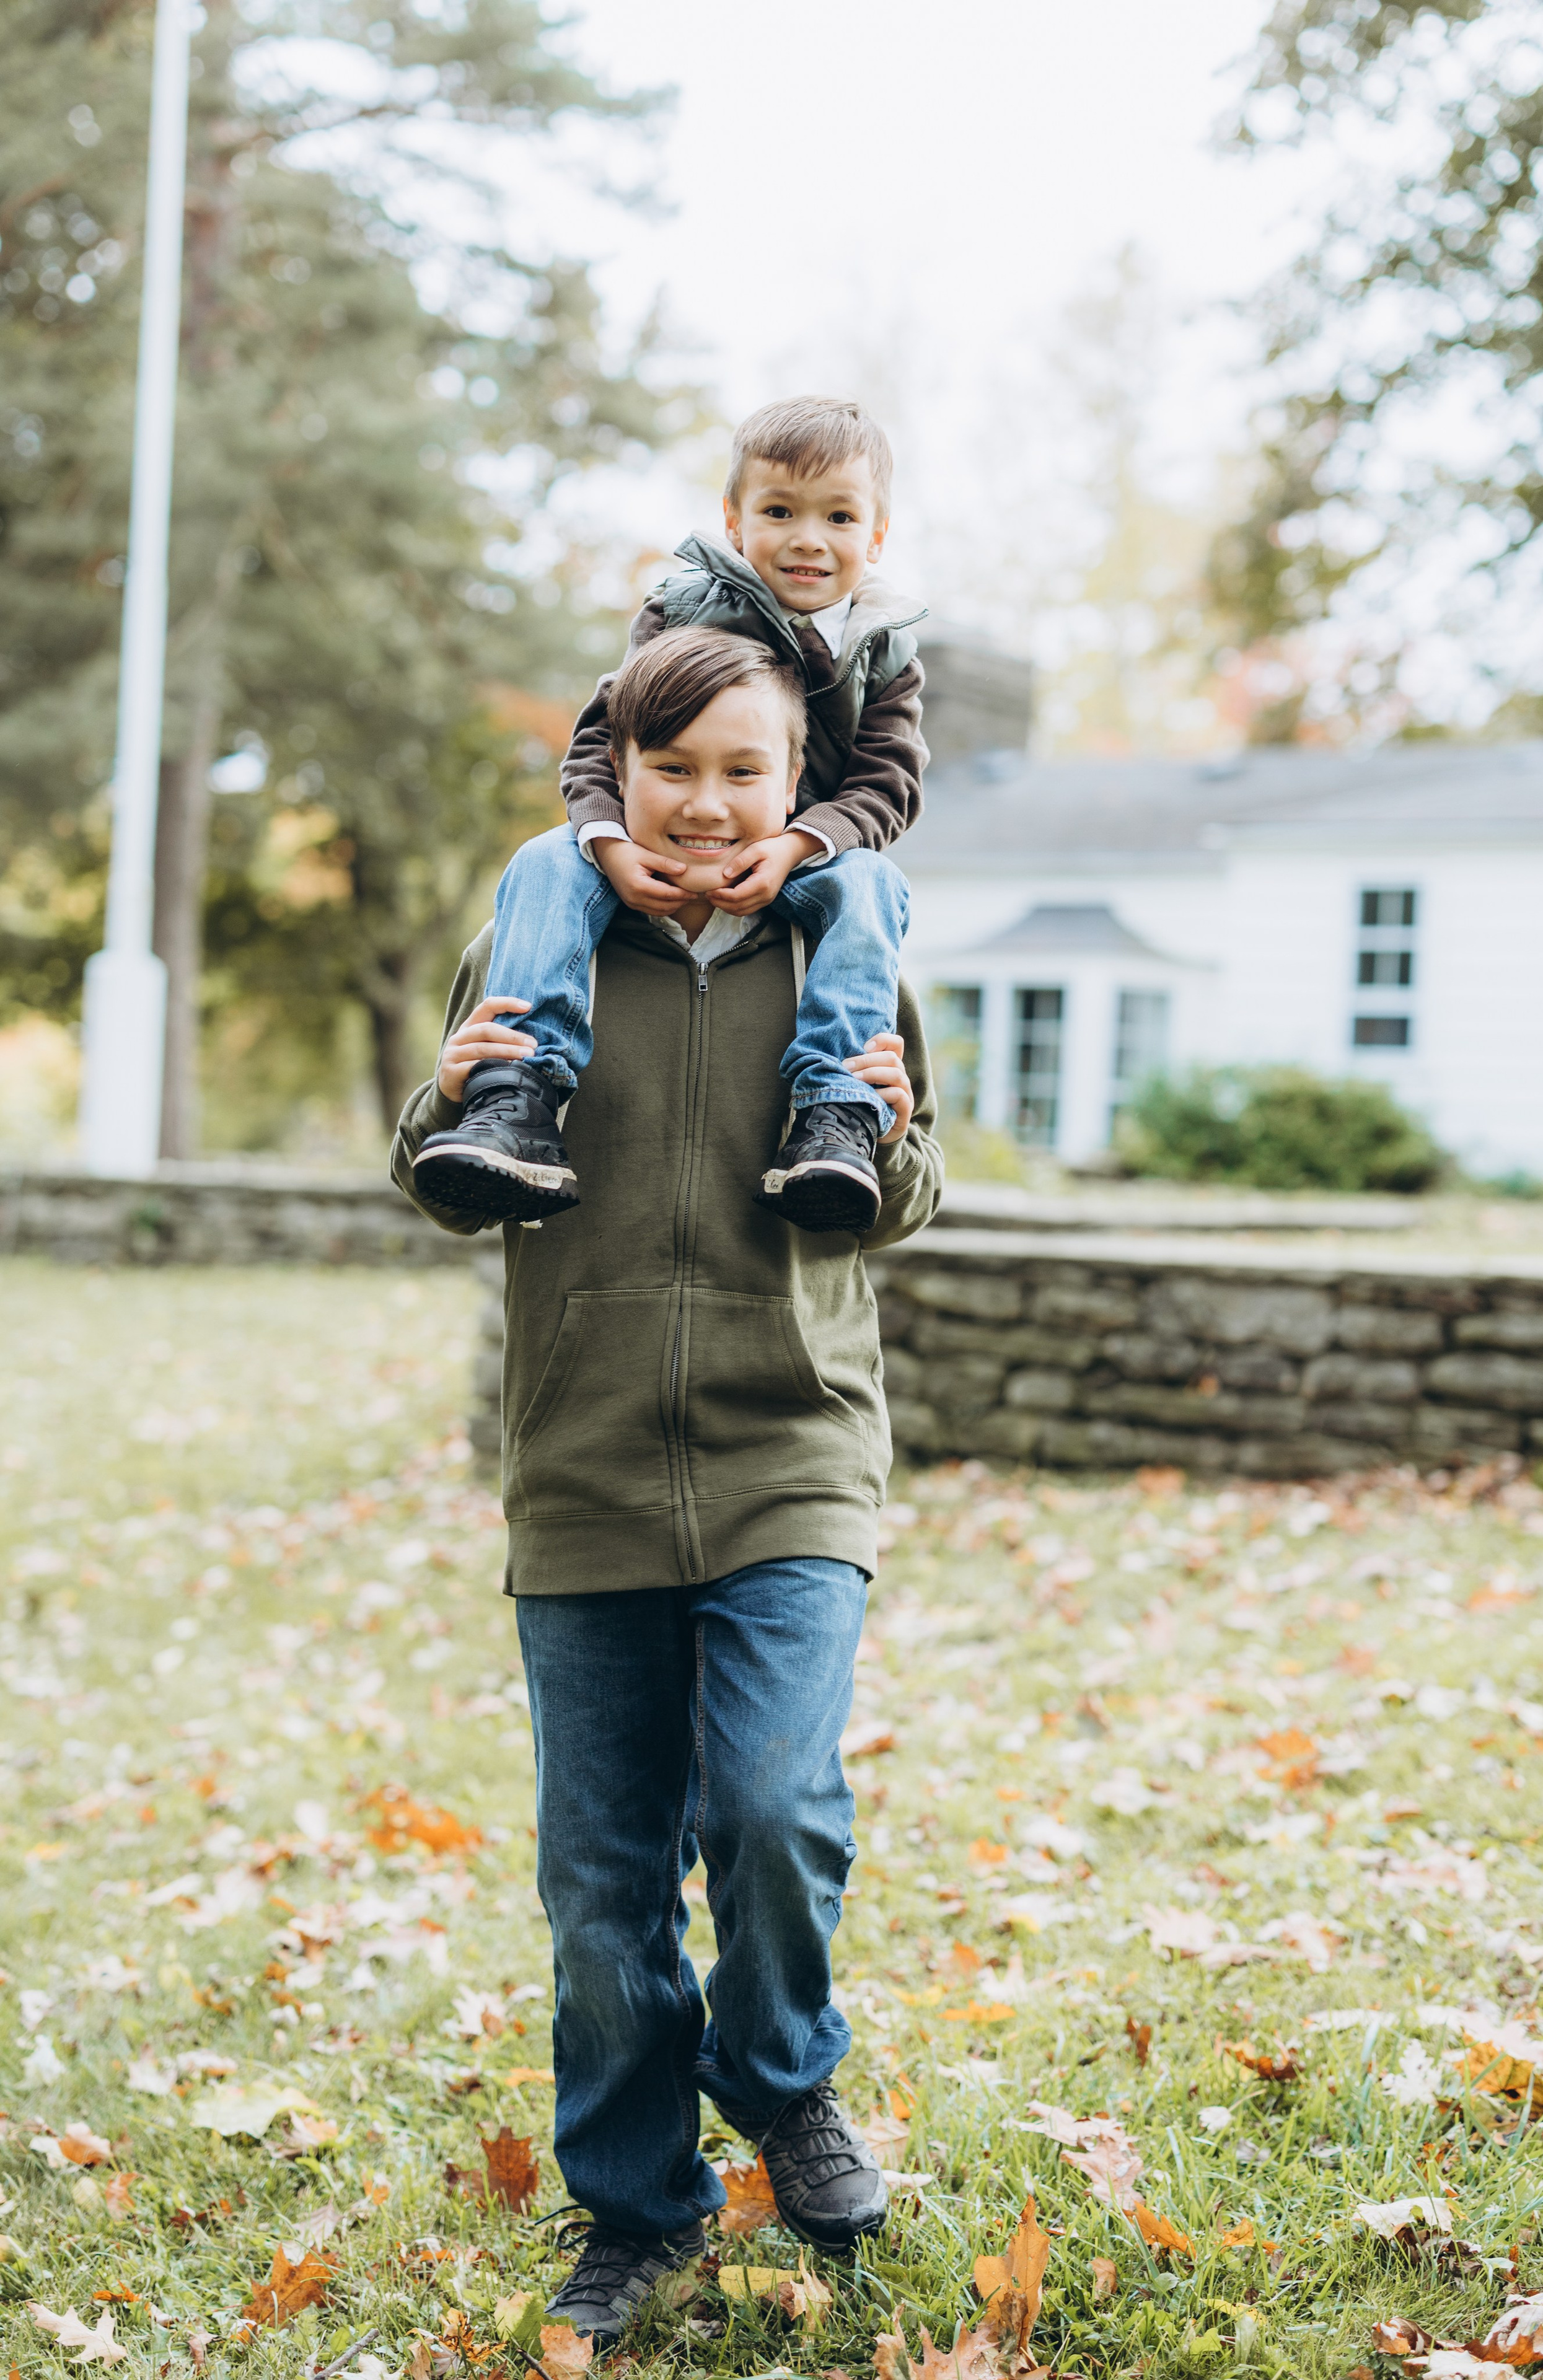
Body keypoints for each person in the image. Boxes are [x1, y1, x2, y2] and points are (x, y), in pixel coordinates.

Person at [391, 625, 943, 2351]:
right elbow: (448, 1168)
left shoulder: (844, 935)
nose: (708, 805)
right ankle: (636, 2208)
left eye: (745, 771)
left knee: (774, 1811)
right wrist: (446, 1102)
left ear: (800, 788)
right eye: (675, 767)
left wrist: (899, 1138)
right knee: (601, 1885)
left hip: (795, 1450)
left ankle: (784, 2083)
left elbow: (912, 1189)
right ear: (616, 771)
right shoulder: (540, 934)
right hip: (587, 1462)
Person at [413, 394, 926, 1239]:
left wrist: (800, 842)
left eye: (838, 515)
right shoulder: (678, 610)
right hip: (623, 867)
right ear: (733, 519)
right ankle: (520, 1096)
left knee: (873, 881)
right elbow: (596, 744)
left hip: (814, 862)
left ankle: (836, 1115)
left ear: (875, 536)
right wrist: (607, 845)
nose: (807, 537)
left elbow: (889, 783)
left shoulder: (886, 649)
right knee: (547, 856)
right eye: (778, 511)